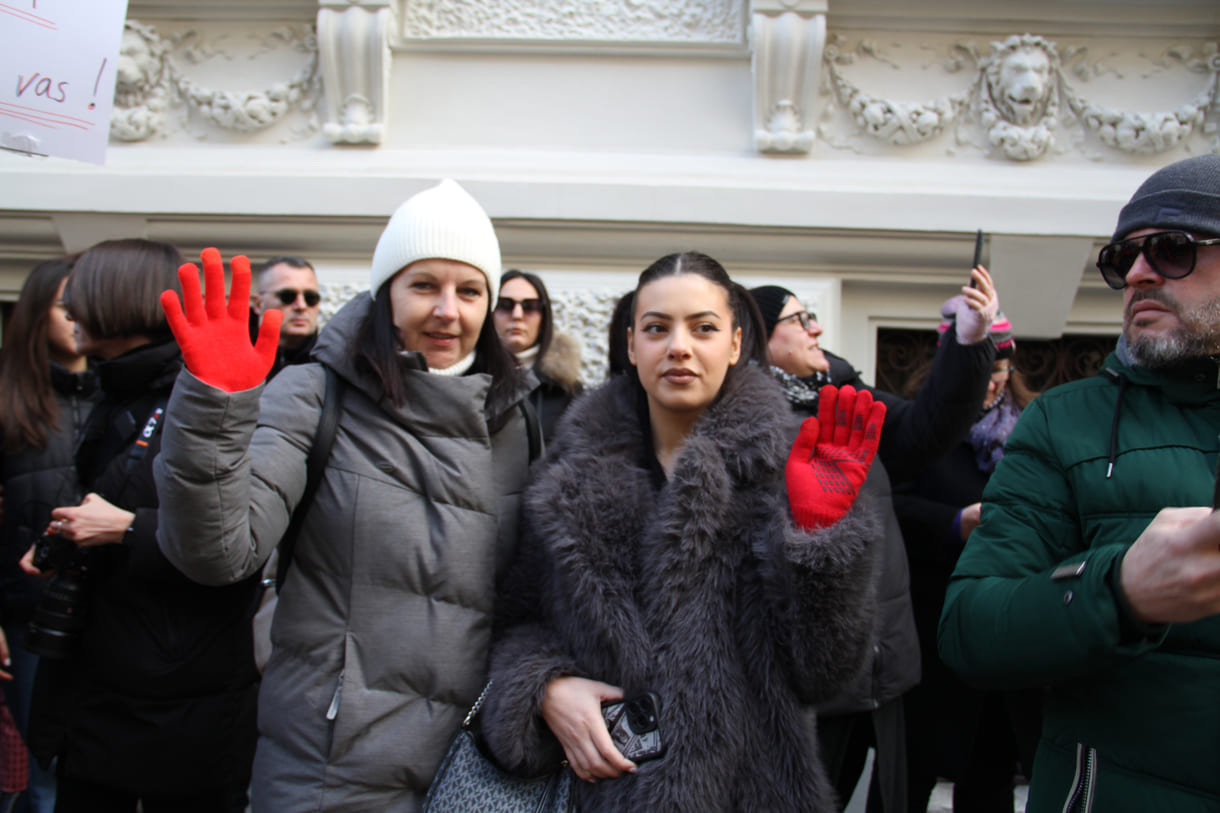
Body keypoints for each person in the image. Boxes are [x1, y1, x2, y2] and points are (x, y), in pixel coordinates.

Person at [154, 179, 536, 811]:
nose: (449, 310)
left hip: (469, 776)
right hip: (328, 771)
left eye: (469, 291)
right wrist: (214, 404)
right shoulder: (314, 393)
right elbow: (217, 553)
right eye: (424, 286)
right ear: (385, 296)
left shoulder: (517, 420)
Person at [482, 251, 885, 811]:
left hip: (752, 795)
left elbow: (825, 673)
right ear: (630, 346)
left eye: (703, 328)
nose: (679, 347)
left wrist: (820, 541)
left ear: (737, 344)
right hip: (600, 794)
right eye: (656, 328)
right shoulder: (565, 476)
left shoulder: (789, 472)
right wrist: (546, 687)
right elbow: (516, 623)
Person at [938, 153, 1220, 811]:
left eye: (1174, 249)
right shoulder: (1066, 422)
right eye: (1125, 259)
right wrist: (1118, 590)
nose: (1140, 273)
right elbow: (971, 627)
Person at [17, 239, 259, 813]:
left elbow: (243, 539)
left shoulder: (206, 395)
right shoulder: (115, 391)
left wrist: (127, 530)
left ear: (119, 298)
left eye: (78, 293)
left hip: (175, 701)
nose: (70, 309)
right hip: (99, 685)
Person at [748, 273, 997, 813]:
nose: (816, 328)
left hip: (885, 669)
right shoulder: (743, 426)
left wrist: (968, 343)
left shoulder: (840, 398)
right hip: (810, 692)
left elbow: (929, 429)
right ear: (757, 338)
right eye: (797, 319)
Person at [892, 312, 1042, 813]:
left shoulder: (1033, 429)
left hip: (999, 626)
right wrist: (955, 521)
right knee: (907, 776)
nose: (991, 386)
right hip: (929, 625)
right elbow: (889, 505)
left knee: (989, 775)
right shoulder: (919, 424)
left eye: (999, 376)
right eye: (981, 375)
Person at [0, 257, 98, 813]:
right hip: (30, 615)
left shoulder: (117, 395)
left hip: (104, 614)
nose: (79, 315)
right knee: (45, 778)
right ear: (38, 314)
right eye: (66, 305)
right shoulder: (9, 397)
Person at [494, 269, 583, 441]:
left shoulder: (567, 392)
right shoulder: (470, 378)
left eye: (530, 307)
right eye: (505, 304)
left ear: (544, 318)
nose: (517, 315)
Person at [250, 255, 323, 379]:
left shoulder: (331, 362)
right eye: (287, 296)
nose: (301, 305)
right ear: (258, 304)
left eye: (310, 297)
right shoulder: (233, 356)